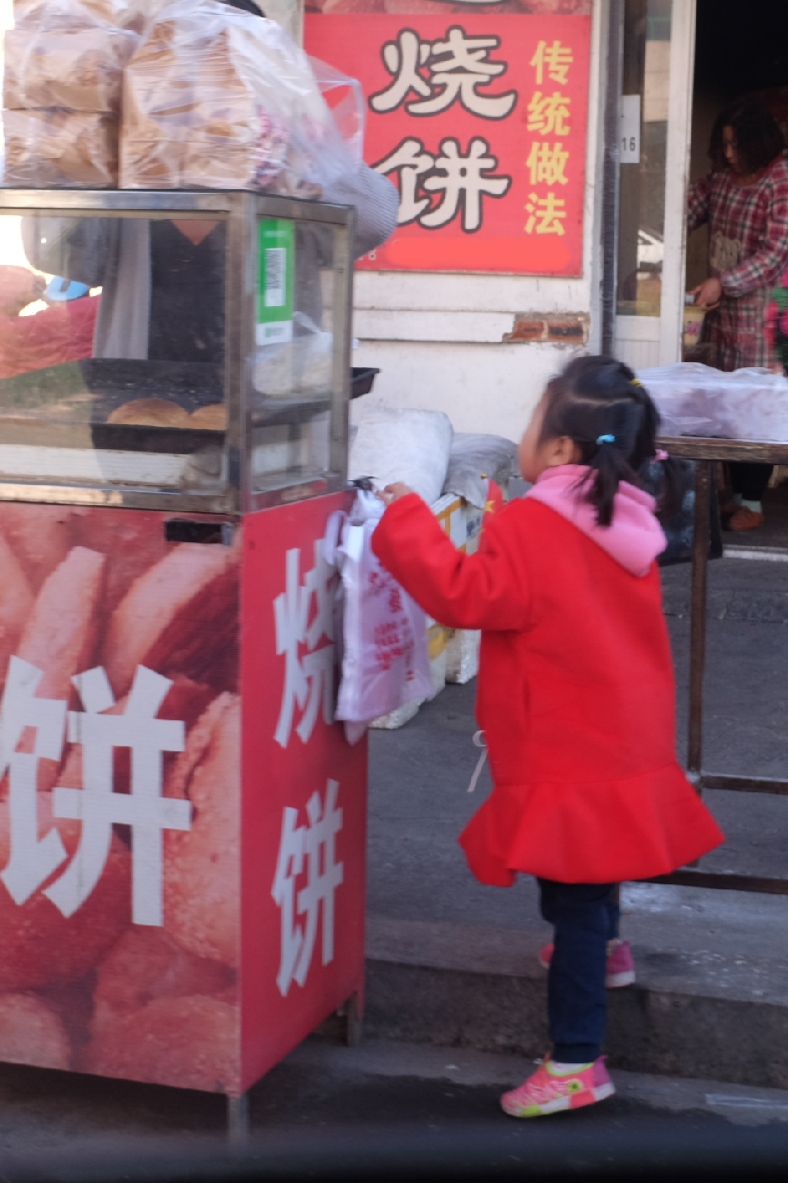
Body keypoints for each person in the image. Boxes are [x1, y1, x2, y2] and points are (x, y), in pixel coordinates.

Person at [372, 356, 724, 1119]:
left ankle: (576, 1060)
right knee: (591, 875)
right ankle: (608, 950)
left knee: (571, 899)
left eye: (532, 423)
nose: (525, 435)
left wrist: (404, 519)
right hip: (619, 734)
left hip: (564, 741)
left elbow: (469, 596)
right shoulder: (623, 510)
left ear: (561, 449)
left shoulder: (538, 520)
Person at [687, 99, 788, 531]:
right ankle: (733, 493)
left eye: (735, 145)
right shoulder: (721, 181)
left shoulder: (781, 181)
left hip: (764, 314)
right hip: (723, 316)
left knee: (756, 407)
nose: (728, 154)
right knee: (725, 404)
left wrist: (723, 282)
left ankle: (754, 501)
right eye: (724, 144)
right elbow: (684, 211)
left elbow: (775, 252)